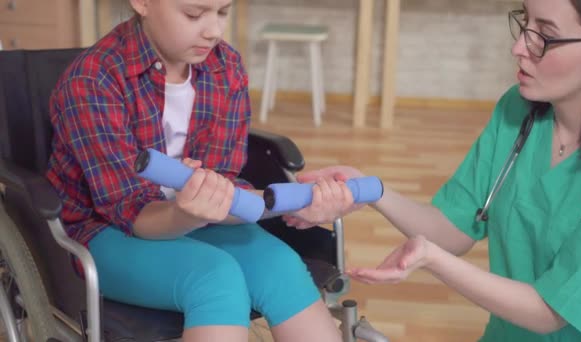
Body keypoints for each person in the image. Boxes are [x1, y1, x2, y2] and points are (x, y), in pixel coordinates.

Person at [288, 0, 581, 340]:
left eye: (544, 35)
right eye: (525, 23)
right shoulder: (517, 111)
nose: (518, 47)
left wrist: (431, 258)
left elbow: (548, 312)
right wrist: (371, 190)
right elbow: (452, 229)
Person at [46, 1, 355, 341]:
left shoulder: (226, 66)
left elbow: (222, 191)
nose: (214, 31)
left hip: (195, 216)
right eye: (194, 14)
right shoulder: (92, 81)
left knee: (282, 268)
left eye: (223, 11)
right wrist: (186, 214)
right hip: (103, 230)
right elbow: (133, 213)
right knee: (215, 279)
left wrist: (289, 203)